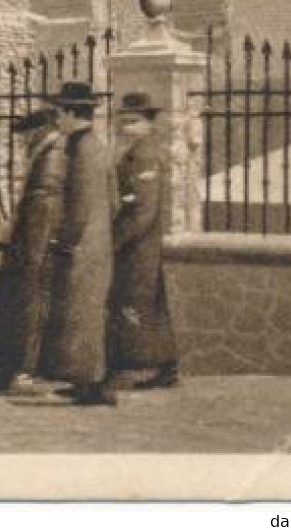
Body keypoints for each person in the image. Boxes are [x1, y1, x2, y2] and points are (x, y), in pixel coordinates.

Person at [0, 105, 66, 391]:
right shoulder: (48, 153)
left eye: (26, 135)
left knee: (24, 305)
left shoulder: (51, 157)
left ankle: (16, 369)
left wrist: (32, 252)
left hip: (32, 246)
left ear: (39, 131)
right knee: (12, 304)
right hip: (26, 243)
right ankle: (5, 366)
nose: (24, 142)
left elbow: (43, 207)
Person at [41, 81, 118, 406]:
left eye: (59, 113)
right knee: (83, 314)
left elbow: (81, 204)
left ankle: (92, 385)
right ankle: (85, 381)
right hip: (97, 241)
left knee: (82, 314)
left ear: (72, 113)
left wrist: (66, 240)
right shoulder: (96, 146)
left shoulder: (82, 150)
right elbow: (113, 201)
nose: (57, 119)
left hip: (84, 246)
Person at [108, 92, 180, 389]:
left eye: (133, 122)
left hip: (137, 247)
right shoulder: (137, 152)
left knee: (135, 303)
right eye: (122, 122)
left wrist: (114, 242)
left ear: (149, 124)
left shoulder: (144, 155)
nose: (126, 128)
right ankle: (163, 365)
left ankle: (142, 366)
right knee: (149, 304)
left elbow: (142, 211)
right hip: (141, 245)